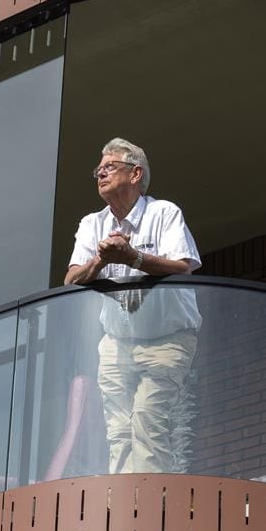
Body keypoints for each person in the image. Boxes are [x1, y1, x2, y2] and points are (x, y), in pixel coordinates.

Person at [65, 138, 202, 474]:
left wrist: (132, 257)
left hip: (167, 339)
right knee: (119, 432)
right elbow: (71, 280)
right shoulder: (92, 224)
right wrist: (101, 259)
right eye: (98, 170)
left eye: (109, 167)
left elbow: (183, 266)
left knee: (148, 421)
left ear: (135, 173)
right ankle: (128, 500)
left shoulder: (163, 213)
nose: (101, 174)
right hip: (116, 343)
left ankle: (153, 500)